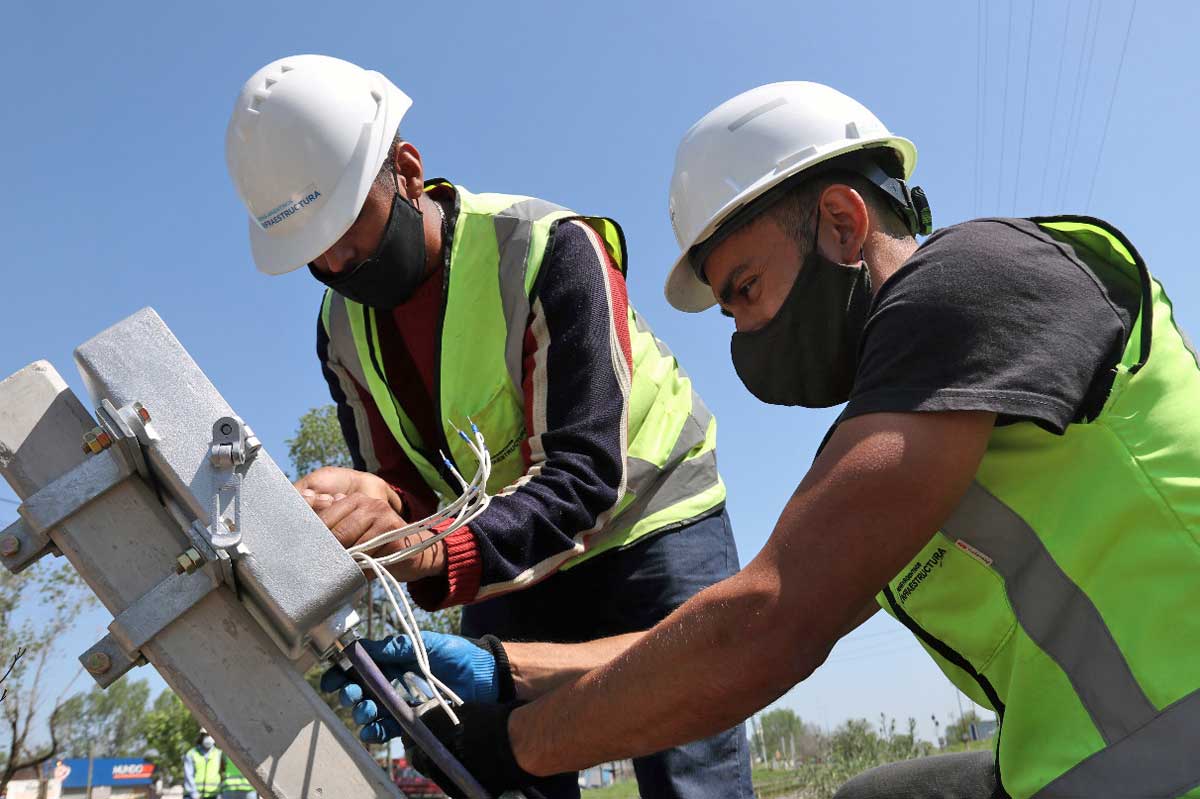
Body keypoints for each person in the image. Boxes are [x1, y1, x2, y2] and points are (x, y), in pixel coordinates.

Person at [327, 81, 1200, 799]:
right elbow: (712, 627)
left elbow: (770, 621)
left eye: (745, 288)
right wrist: (505, 668)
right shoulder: (897, 425)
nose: (742, 335)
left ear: (843, 223)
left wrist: (516, 744)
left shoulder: (970, 285)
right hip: (1095, 762)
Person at [224, 55, 752, 799]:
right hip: (510, 547)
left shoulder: (546, 247)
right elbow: (409, 490)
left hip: (649, 522)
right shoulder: (340, 329)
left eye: (346, 225)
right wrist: (375, 503)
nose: (338, 261)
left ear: (408, 173)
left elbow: (585, 476)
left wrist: (431, 546)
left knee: (687, 765)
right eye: (312, 252)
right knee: (497, 770)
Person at [182, 729, 222, 799]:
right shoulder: (192, 754)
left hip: (213, 795)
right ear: (201, 737)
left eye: (211, 735)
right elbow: (188, 776)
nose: (209, 738)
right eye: (206, 735)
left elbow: (222, 774)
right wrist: (194, 794)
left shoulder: (219, 754)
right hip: (192, 796)